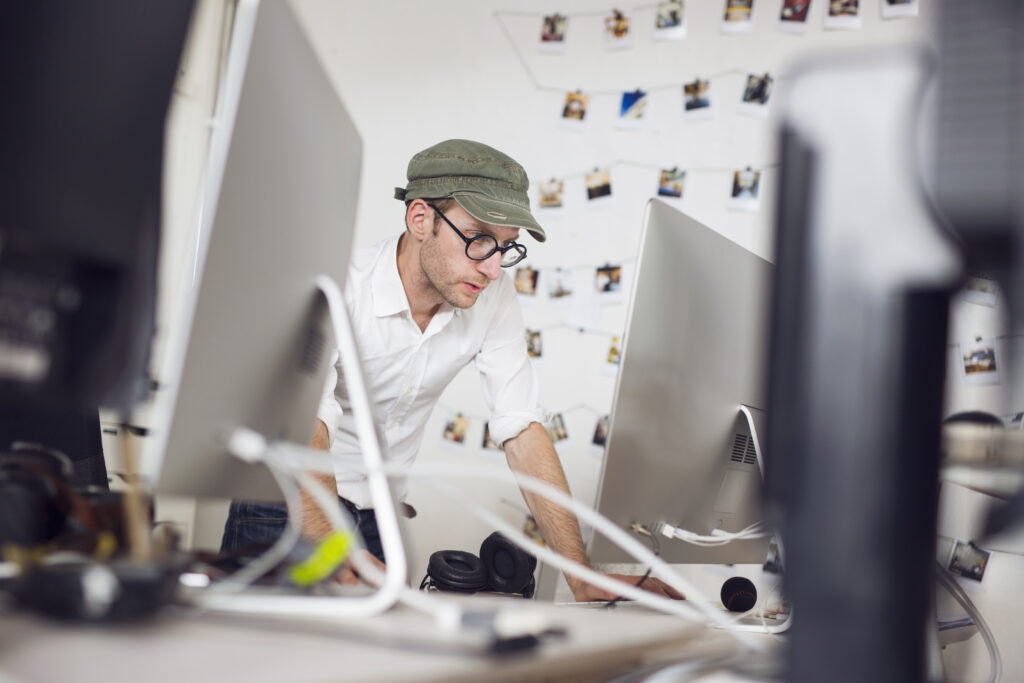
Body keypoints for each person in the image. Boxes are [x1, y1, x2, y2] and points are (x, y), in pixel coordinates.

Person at [222, 139, 682, 602]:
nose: (493, 269)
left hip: (378, 516)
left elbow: (521, 426)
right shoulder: (338, 281)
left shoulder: (494, 297)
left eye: (506, 247)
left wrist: (579, 574)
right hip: (287, 506)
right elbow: (307, 420)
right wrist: (332, 548)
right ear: (420, 219)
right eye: (479, 238)